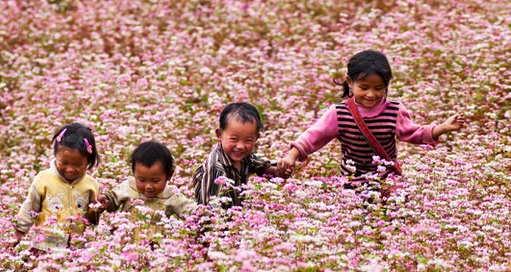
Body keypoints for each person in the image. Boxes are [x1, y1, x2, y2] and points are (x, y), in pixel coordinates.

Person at [278, 50, 464, 190]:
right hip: (352, 183)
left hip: (387, 182)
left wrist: (443, 127)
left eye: (378, 88)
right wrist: (292, 155)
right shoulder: (340, 112)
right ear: (349, 82)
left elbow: (414, 132)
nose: (371, 94)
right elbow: (313, 136)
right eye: (364, 87)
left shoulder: (394, 110)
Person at [14, 123, 107, 251]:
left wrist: (96, 210)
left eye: (78, 164)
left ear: (89, 162)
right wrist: (20, 229)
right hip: (45, 246)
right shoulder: (43, 179)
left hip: (78, 248)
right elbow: (30, 206)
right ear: (56, 156)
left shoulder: (92, 185)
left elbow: (92, 221)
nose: (70, 169)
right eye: (64, 162)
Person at [192, 102, 284, 208]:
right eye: (234, 139)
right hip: (217, 220)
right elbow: (209, 209)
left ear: (256, 138)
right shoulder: (216, 168)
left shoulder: (244, 157)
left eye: (248, 140)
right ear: (219, 135)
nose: (240, 146)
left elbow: (256, 162)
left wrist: (275, 169)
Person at [101, 141, 197, 217]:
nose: (148, 186)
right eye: (142, 180)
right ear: (134, 173)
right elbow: (111, 200)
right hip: (125, 238)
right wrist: (103, 201)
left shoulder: (172, 196)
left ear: (169, 175)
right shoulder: (128, 187)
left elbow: (190, 210)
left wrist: (207, 216)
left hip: (157, 241)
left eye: (155, 181)